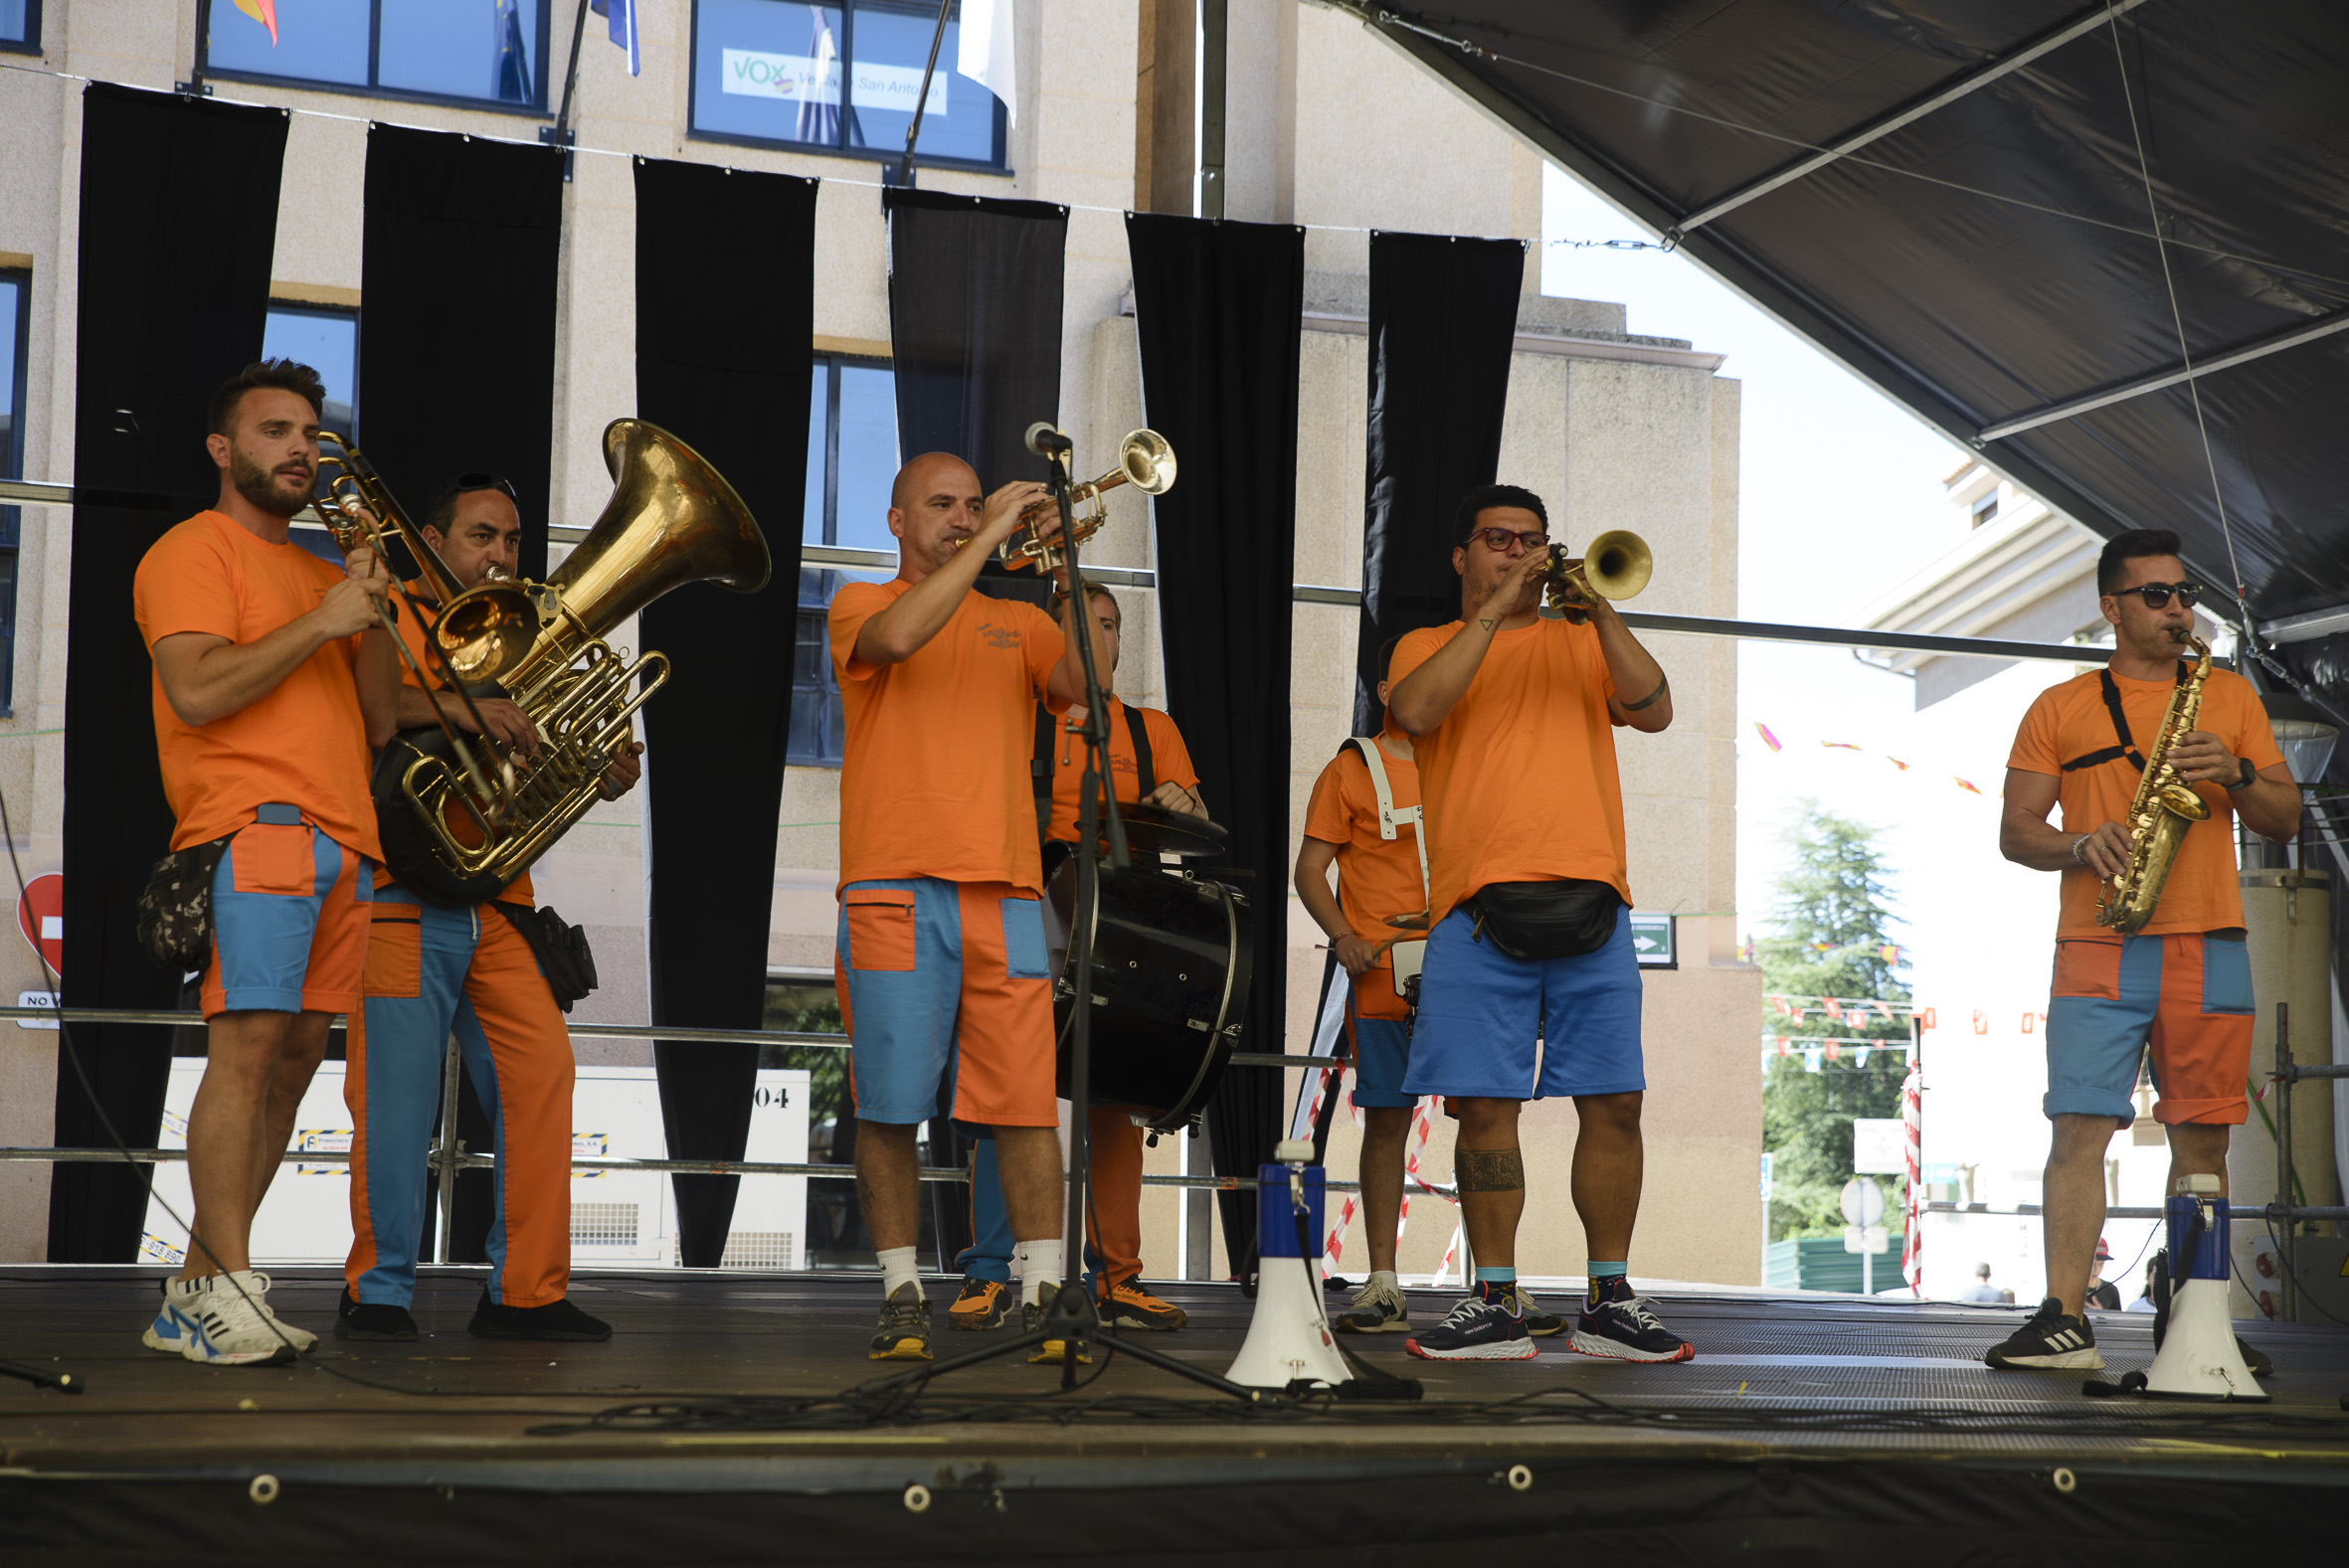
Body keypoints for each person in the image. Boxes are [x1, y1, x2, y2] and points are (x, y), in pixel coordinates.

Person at [133, 359, 400, 1364]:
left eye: (311, 434)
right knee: (244, 1053)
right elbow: (199, 692)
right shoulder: (191, 550)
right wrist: (323, 619)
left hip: (346, 839)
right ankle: (222, 1281)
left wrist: (366, 601)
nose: (303, 448)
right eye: (278, 430)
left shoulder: (326, 573)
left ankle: (207, 1286)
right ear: (224, 448)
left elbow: (378, 717)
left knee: (292, 1063)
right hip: (260, 824)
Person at [1385, 484, 1686, 1363]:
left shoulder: (1581, 638)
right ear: (1462, 556)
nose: (1516, 553)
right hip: (1476, 917)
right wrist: (1496, 617)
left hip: (1594, 907)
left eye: (1531, 541)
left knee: (1617, 1105)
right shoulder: (1431, 643)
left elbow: (1657, 708)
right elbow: (1414, 712)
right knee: (1483, 1110)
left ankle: (1610, 1295)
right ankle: (1495, 1299)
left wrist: (1597, 612)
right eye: (1497, 540)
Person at [1987, 527, 2298, 1374]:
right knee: (2078, 1127)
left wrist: (2234, 772)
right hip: (2099, 936)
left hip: (2209, 939)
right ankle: (2063, 1318)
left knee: (2204, 1141)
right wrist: (2079, 841)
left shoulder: (2227, 694)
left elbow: (2286, 816)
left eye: (2183, 593)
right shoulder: (2059, 705)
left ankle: (2196, 1325)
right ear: (2111, 608)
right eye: (2156, 595)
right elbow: (2017, 832)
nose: (2177, 609)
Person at [338, 472, 638, 1343]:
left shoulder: (523, 632)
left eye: (510, 540)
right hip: (402, 895)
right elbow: (372, 711)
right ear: (432, 541)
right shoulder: (383, 605)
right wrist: (473, 716)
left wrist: (595, 765)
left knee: (544, 1078)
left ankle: (526, 1292)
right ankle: (377, 1290)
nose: (502, 556)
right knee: (391, 1103)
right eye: (481, 537)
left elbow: (533, 747)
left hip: (499, 900)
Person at [828, 453, 1112, 1363]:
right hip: (894, 888)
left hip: (1010, 891)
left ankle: (1041, 1290)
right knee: (891, 1104)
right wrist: (992, 531)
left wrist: (1065, 570)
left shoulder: (1016, 620)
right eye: (941, 505)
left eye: (969, 504)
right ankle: (902, 1287)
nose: (959, 516)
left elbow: (1092, 689)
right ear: (897, 520)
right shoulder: (857, 603)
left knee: (1029, 1105)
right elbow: (901, 639)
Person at [948, 585, 1206, 1335]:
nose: (1100, 636)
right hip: (1026, 912)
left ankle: (1118, 1278)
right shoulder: (1016, 715)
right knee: (1010, 1093)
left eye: (1110, 623)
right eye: (1081, 625)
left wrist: (1182, 806)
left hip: (1121, 925)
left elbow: (1193, 831)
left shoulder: (1153, 731)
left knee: (1114, 1099)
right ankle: (991, 1274)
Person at [1295, 637, 1568, 1339]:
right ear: (1388, 691)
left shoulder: (1475, 764)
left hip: (1471, 966)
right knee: (1386, 1116)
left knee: (1486, 1118)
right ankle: (1384, 1282)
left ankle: (1497, 1282)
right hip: (1384, 970)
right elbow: (1309, 869)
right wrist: (1342, 935)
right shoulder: (1349, 770)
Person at [2083, 1238, 2122, 1312]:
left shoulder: (2111, 1290)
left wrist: (2101, 1314)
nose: (2096, 1270)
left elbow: (2116, 1320)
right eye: (2092, 1264)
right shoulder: (2072, 1289)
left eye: (2100, 1264)